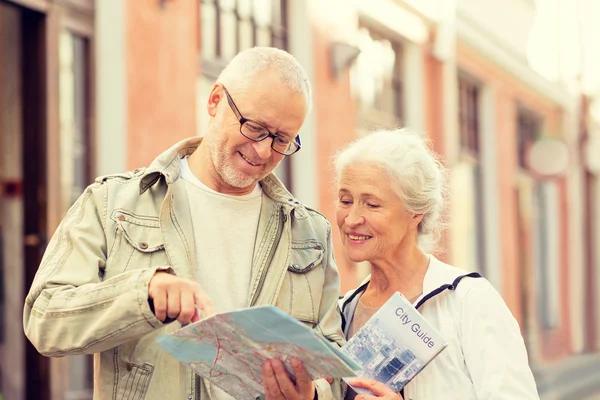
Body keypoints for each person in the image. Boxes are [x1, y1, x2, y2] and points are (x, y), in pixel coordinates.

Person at [23, 47, 344, 400]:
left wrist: (313, 395)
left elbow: (334, 363)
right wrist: (142, 293)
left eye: (282, 140)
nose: (264, 152)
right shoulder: (112, 203)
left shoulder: (311, 234)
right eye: (255, 128)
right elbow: (44, 319)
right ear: (215, 100)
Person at [334, 129, 540, 400]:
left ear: (415, 212)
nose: (351, 219)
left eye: (372, 204)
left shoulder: (467, 301)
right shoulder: (341, 313)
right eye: (346, 201)